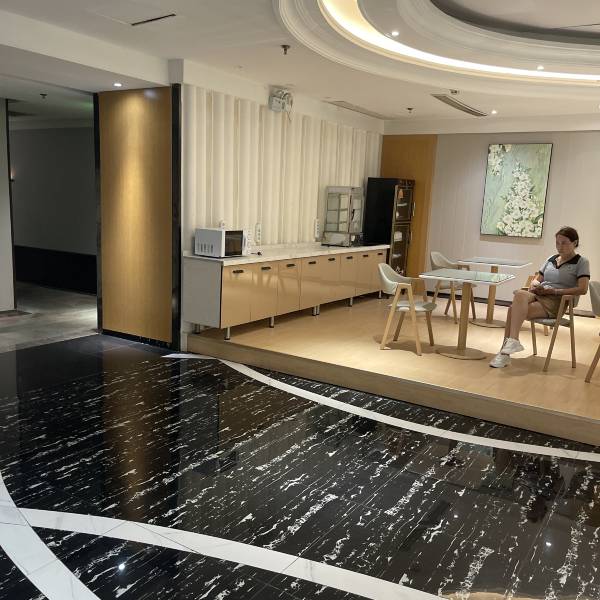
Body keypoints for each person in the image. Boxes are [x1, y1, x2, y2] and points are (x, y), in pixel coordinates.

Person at [490, 226, 590, 368]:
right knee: (519, 293)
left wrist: (554, 291)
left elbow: (583, 289)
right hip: (539, 294)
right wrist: (534, 285)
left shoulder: (581, 262)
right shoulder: (551, 259)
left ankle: (504, 353)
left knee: (513, 310)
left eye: (564, 243)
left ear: (575, 243)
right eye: (557, 243)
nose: (560, 247)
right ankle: (512, 343)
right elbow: (538, 278)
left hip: (556, 301)